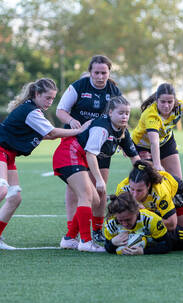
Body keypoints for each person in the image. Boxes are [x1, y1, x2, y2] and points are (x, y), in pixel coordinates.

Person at [0, 78, 89, 250]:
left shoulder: (34, 111)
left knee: (14, 198)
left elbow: (47, 135)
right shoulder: (31, 111)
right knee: (3, 190)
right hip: (1, 150)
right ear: (36, 94)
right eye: (47, 98)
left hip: (9, 154)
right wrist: (79, 130)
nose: (50, 102)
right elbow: (53, 133)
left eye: (52, 99)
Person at [54, 96, 140, 252]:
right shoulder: (102, 127)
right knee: (87, 196)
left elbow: (135, 158)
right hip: (68, 155)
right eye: (120, 113)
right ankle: (86, 242)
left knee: (94, 200)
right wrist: (99, 180)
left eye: (127, 113)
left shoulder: (122, 131)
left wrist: (146, 175)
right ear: (110, 112)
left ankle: (69, 239)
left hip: (76, 158)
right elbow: (90, 154)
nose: (124, 116)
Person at [56, 55, 122, 242]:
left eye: (104, 73)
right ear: (90, 72)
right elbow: (60, 110)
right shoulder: (79, 86)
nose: (100, 77)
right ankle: (73, 232)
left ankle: (98, 231)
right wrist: (70, 121)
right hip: (75, 141)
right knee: (75, 189)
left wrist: (124, 142)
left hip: (100, 143)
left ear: (109, 73)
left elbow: (120, 116)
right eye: (97, 73)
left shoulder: (114, 90)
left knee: (100, 188)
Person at [104, 192, 183, 255]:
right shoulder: (111, 223)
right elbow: (107, 247)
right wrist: (112, 243)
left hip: (173, 236)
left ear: (137, 211)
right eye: (120, 220)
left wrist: (144, 251)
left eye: (128, 220)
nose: (124, 224)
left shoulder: (151, 220)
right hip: (153, 240)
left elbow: (167, 245)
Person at [116, 160, 183, 230]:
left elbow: (171, 224)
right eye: (132, 189)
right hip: (153, 204)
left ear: (148, 186)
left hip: (176, 193)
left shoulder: (160, 191)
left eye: (139, 190)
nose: (134, 195)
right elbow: (116, 218)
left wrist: (143, 215)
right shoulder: (122, 189)